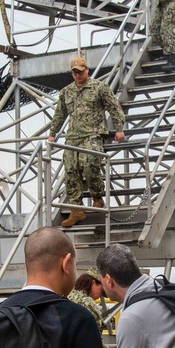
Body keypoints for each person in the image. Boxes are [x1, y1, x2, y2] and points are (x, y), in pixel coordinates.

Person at [47, 57, 126, 228]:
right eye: (74, 72)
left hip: (93, 134)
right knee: (71, 170)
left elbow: (114, 107)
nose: (77, 75)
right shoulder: (66, 92)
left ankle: (97, 196)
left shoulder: (99, 87)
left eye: (80, 72)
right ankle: (77, 210)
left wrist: (119, 128)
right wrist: (52, 134)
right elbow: (59, 114)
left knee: (90, 164)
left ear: (87, 70)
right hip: (73, 137)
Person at [68, 267, 105, 333]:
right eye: (101, 291)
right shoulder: (87, 302)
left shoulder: (69, 295)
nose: (100, 296)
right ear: (93, 283)